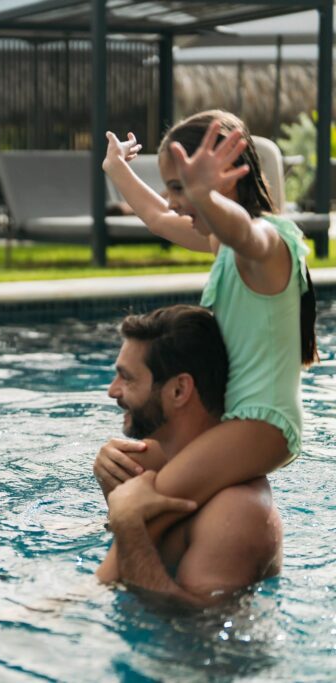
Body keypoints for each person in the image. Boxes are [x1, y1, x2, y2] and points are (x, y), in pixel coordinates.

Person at [97, 109, 312, 582]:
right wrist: (117, 169)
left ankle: (86, 597)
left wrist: (205, 195)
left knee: (149, 510)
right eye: (174, 187)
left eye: (181, 187)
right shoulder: (218, 241)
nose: (176, 201)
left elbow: (243, 230)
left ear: (226, 178)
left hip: (260, 424)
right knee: (130, 471)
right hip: (235, 420)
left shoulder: (267, 245)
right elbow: (155, 217)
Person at [95, 306, 282, 606]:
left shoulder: (236, 510)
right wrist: (113, 501)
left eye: (127, 379)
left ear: (179, 390)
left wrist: (129, 522)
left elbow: (194, 633)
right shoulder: (161, 466)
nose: (112, 391)